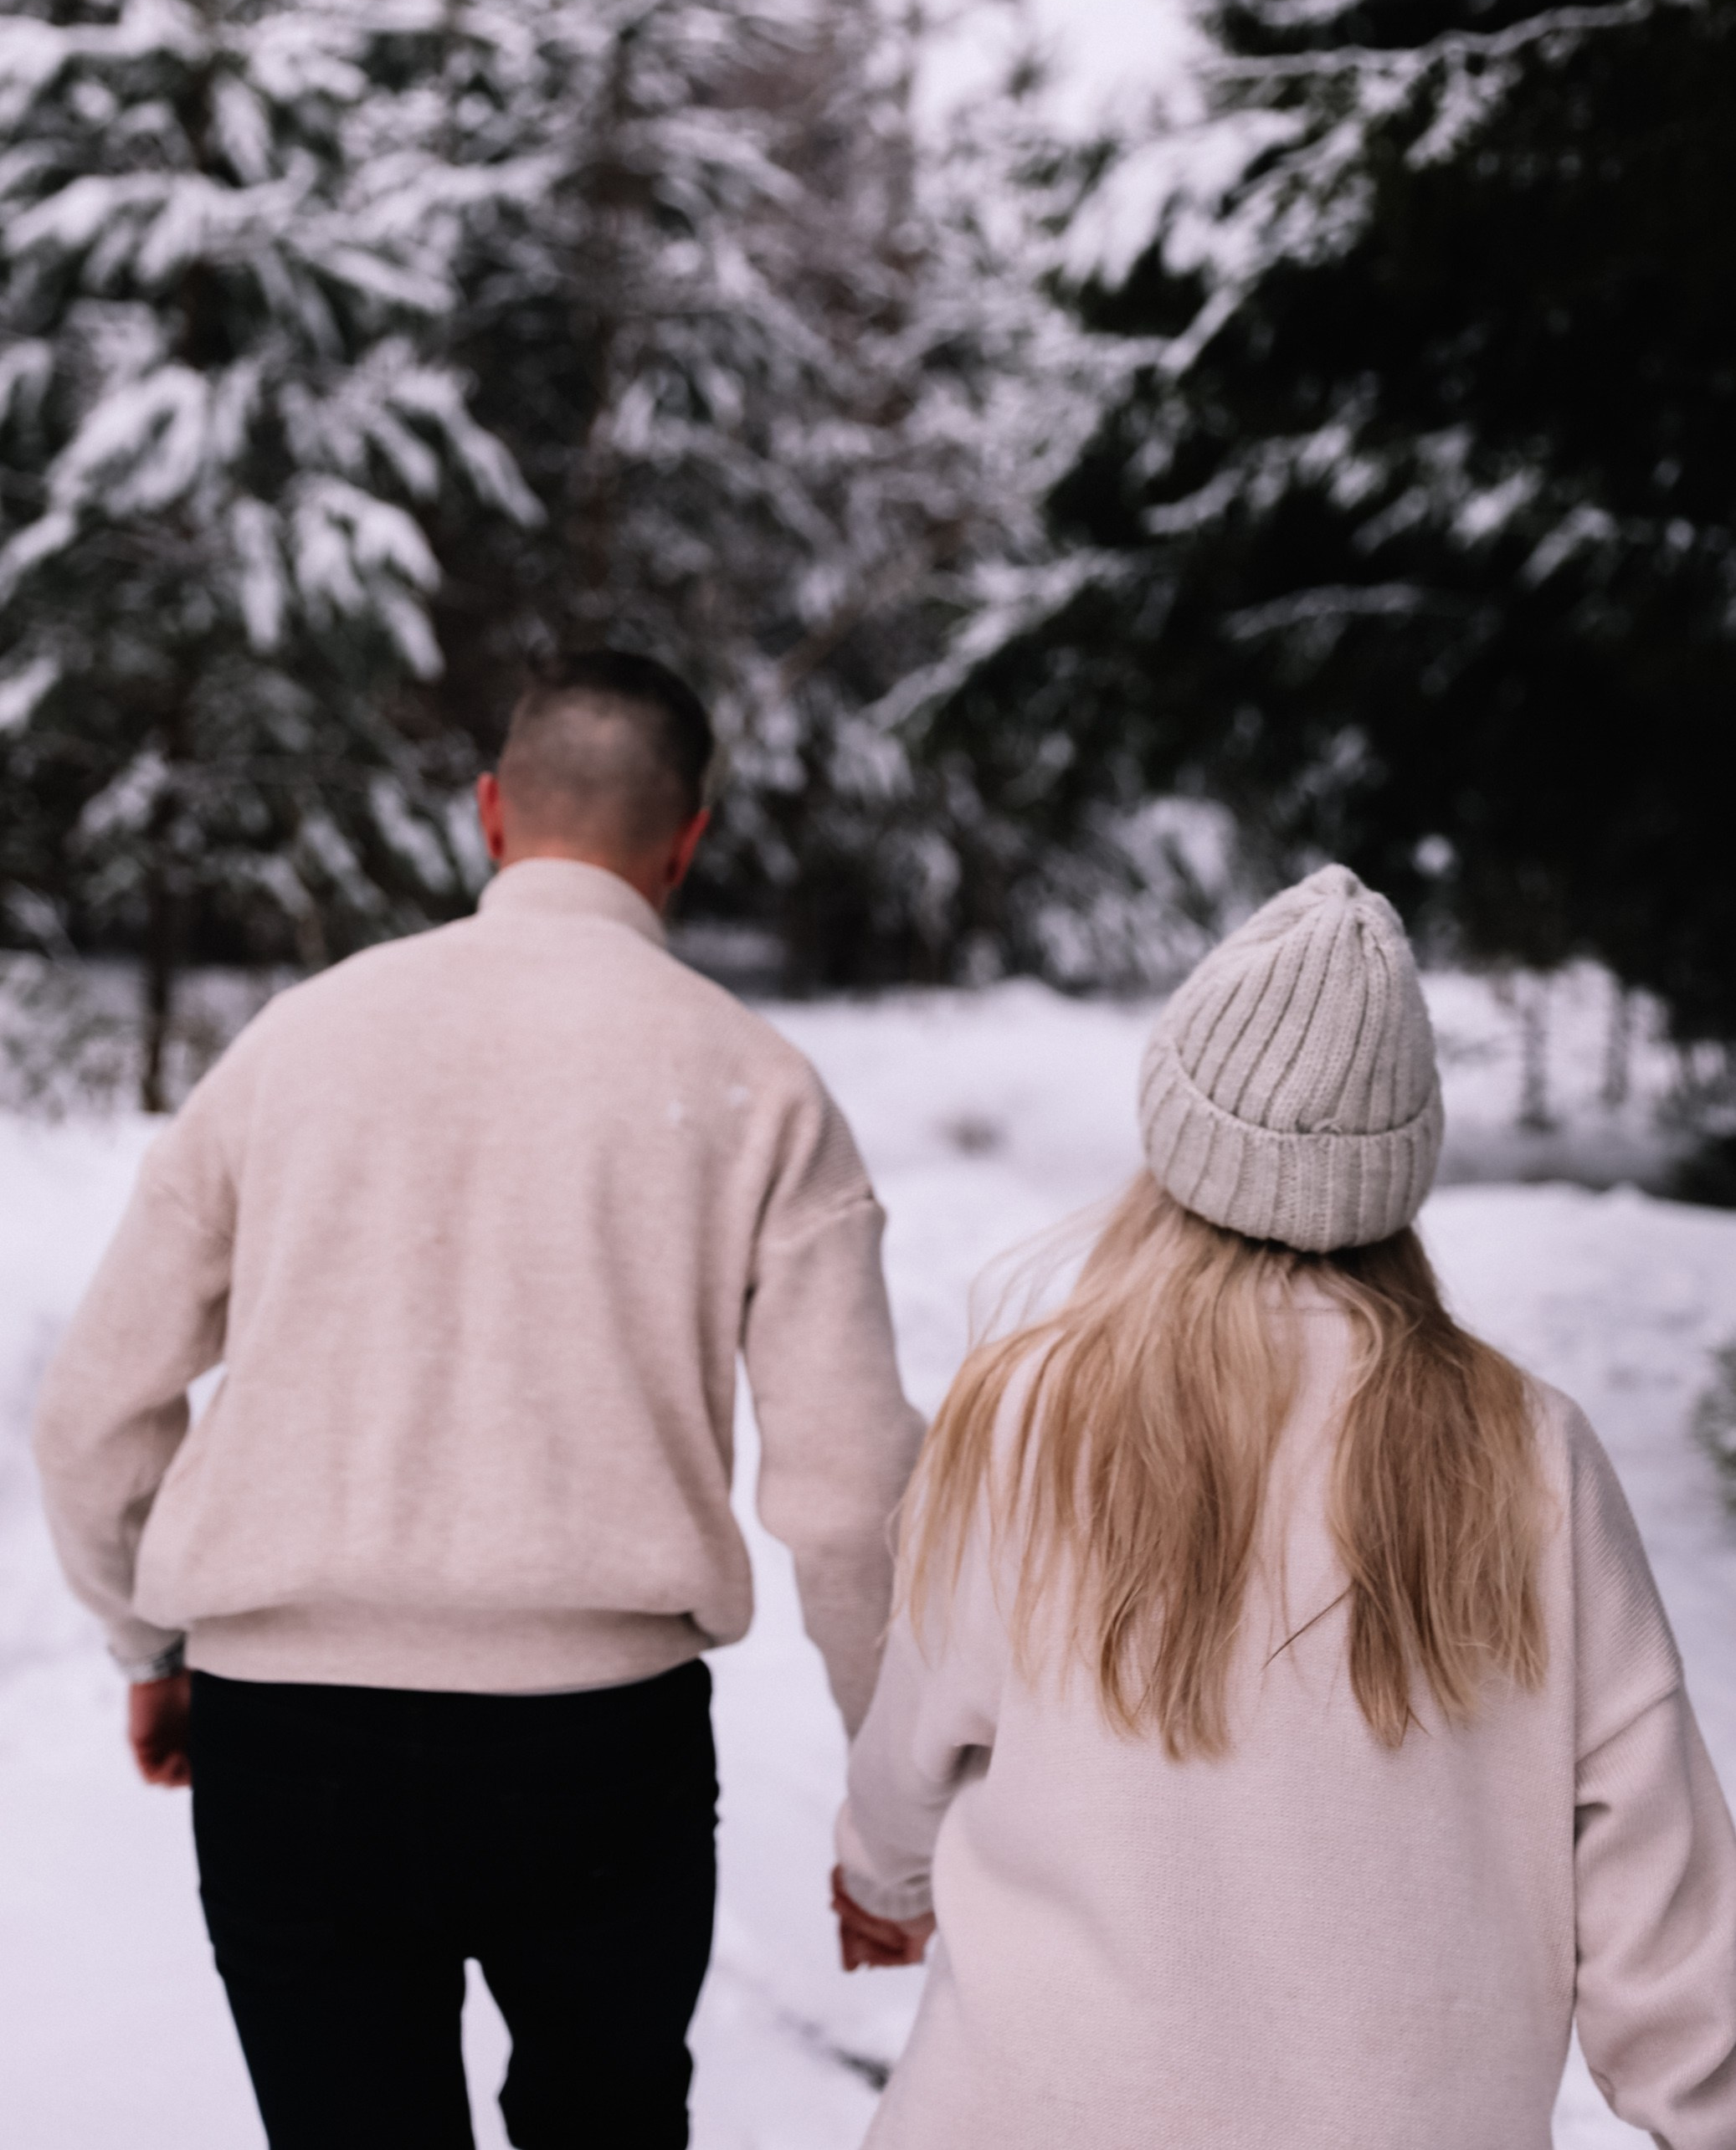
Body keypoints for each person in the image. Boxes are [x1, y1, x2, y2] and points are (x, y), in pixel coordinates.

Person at [33, 646, 923, 2150]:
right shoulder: (755, 1084)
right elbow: (849, 1499)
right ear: (687, 841)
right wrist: (890, 1823)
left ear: (491, 812)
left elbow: (93, 1413)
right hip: (598, 1756)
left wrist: (150, 1640)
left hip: (288, 1748)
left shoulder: (294, 1044)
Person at [831, 865, 1736, 2148]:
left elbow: (916, 1730)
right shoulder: (1528, 1453)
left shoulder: (1033, 1415)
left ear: (1175, 1138)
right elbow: (1662, 1887)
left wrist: (878, 1879)